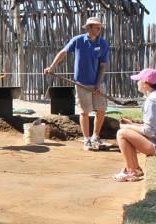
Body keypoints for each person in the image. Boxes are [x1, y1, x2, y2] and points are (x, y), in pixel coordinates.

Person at [44, 17, 109, 151]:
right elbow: (63, 52)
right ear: (89, 27)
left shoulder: (103, 43)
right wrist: (51, 67)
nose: (99, 29)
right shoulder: (78, 40)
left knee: (101, 110)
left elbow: (103, 65)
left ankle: (95, 136)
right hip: (81, 83)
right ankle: (86, 140)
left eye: (100, 27)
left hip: (98, 82)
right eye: (96, 27)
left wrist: (98, 83)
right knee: (84, 111)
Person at [112, 69, 156, 182]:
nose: (137, 83)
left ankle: (132, 171)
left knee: (122, 133)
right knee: (127, 131)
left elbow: (149, 131)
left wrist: (128, 127)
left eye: (139, 80)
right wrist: (133, 124)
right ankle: (134, 169)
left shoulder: (151, 101)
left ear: (145, 83)